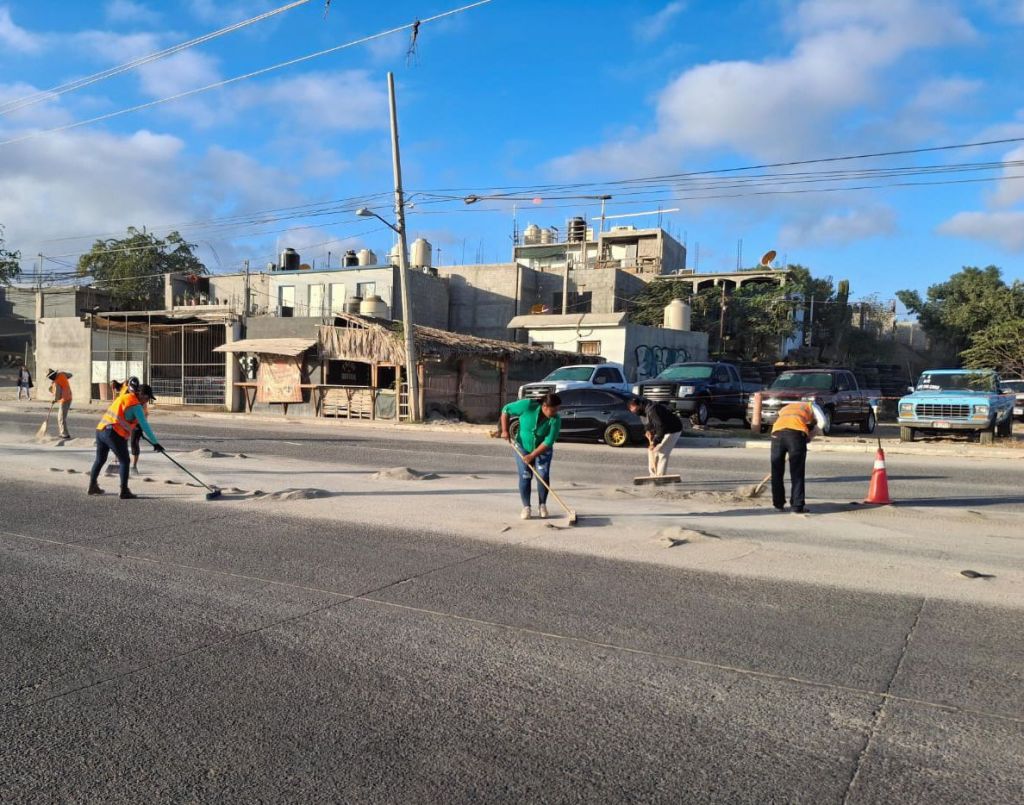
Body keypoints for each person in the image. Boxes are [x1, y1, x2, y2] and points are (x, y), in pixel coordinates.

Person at [88, 383, 163, 499]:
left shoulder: (124, 397)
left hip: (101, 430)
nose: (147, 401)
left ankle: (92, 486)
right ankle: (124, 490)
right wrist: (155, 443)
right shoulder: (136, 405)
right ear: (141, 394)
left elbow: (125, 416)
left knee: (100, 459)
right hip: (113, 433)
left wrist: (137, 429)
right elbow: (145, 424)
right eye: (147, 398)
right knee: (125, 461)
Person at [499, 393, 562, 520]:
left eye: (557, 409)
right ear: (544, 406)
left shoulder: (556, 419)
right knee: (525, 475)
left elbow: (549, 441)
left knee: (543, 475)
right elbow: (506, 409)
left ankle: (542, 505)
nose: (556, 412)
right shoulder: (527, 405)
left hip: (542, 450)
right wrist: (505, 430)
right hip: (522, 446)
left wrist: (532, 455)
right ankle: (526, 507)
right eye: (553, 409)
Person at [770, 400, 827, 514]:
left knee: (776, 472)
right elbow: (822, 422)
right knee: (797, 473)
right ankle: (797, 506)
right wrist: (810, 436)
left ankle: (778, 504)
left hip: (776, 434)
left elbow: (782, 421)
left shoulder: (788, 407)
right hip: (795, 435)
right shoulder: (811, 405)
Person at [627, 396, 684, 477]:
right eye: (633, 411)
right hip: (661, 430)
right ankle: (653, 475)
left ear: (639, 405)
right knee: (651, 451)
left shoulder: (652, 410)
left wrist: (655, 442)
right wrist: (648, 431)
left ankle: (660, 477)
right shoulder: (641, 411)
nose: (635, 412)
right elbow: (647, 424)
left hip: (673, 429)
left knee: (662, 452)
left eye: (635, 410)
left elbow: (661, 427)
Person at [47, 369, 73, 439]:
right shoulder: (62, 374)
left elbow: (57, 394)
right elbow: (70, 375)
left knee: (61, 418)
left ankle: (64, 434)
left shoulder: (56, 382)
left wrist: (54, 400)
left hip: (64, 400)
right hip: (69, 397)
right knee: (62, 417)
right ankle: (64, 433)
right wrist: (64, 375)